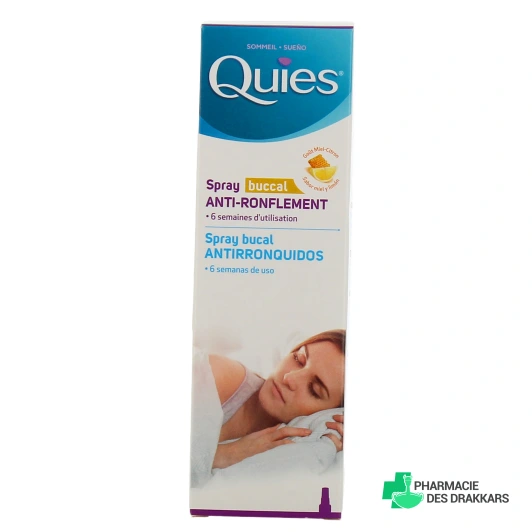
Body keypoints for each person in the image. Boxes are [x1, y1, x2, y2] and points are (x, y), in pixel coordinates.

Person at [209, 329, 346, 469]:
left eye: (314, 390)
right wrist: (227, 454)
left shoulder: (296, 456)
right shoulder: (219, 376)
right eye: (298, 359)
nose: (289, 378)